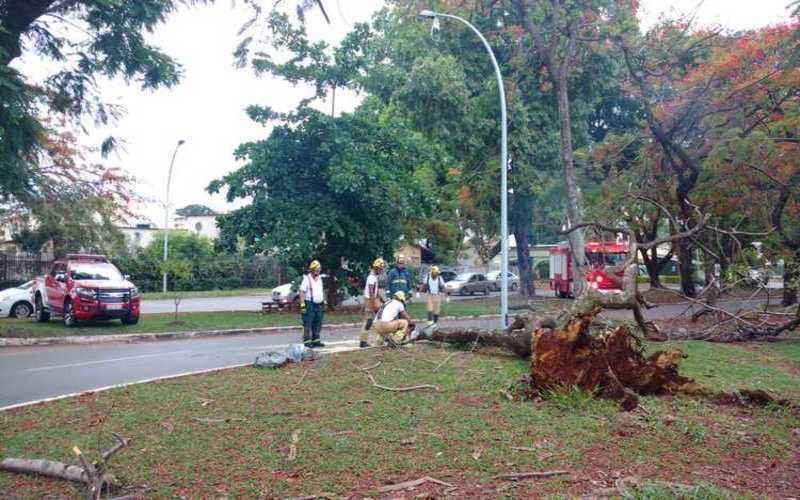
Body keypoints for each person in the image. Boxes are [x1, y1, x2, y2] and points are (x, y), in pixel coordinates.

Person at [359, 258, 386, 348]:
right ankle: (363, 341)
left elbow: (375, 291)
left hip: (372, 300)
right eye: (381, 269)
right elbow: (371, 292)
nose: (381, 271)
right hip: (370, 301)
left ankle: (366, 340)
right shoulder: (371, 278)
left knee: (373, 320)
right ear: (376, 268)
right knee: (369, 321)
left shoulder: (374, 277)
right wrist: (374, 302)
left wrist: (382, 299)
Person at [299, 259, 325, 348]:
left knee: (318, 322)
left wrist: (323, 300)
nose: (318, 271)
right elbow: (302, 292)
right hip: (309, 303)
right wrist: (302, 305)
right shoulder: (307, 279)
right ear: (312, 270)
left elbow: (320, 291)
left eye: (319, 269)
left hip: (319, 304)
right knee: (308, 322)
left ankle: (316, 340)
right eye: (316, 270)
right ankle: (307, 341)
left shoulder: (320, 279)